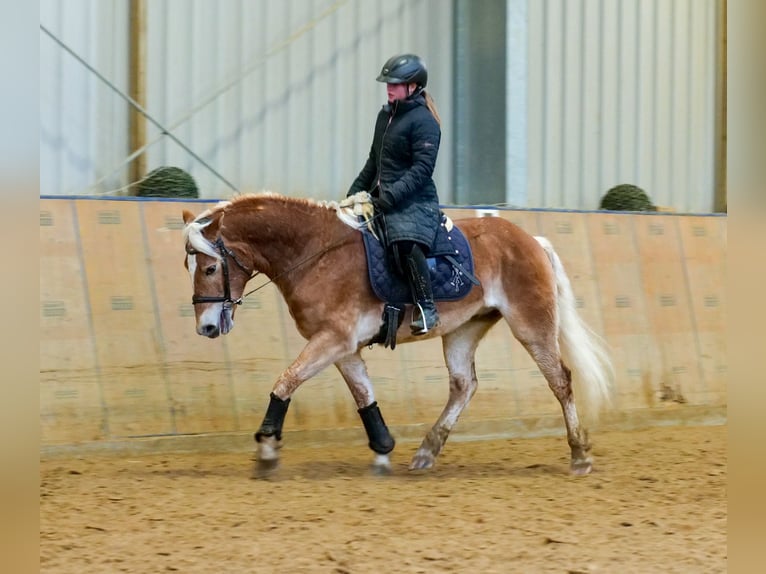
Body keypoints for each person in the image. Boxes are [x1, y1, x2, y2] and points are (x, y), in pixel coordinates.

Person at [347, 53, 443, 335]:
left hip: (414, 202)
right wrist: (351, 196)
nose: (389, 88)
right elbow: (373, 163)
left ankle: (427, 307)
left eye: (396, 84)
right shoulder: (385, 116)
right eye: (388, 83)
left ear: (413, 86)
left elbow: (422, 169)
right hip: (382, 199)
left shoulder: (424, 121)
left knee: (404, 242)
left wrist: (389, 197)